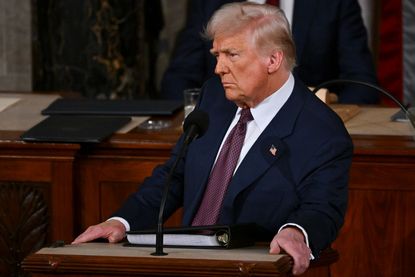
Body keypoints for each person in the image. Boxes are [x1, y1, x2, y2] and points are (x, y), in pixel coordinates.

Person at [73, 3, 353, 275]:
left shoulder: (321, 131)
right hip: (184, 264)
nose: (218, 68)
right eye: (217, 55)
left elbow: (322, 208)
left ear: (273, 59)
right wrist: (121, 221)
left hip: (249, 269)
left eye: (232, 55)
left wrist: (296, 232)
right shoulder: (214, 97)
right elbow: (174, 176)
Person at [160, 0, 379, 104]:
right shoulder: (210, 4)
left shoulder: (335, 4)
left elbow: (362, 84)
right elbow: (178, 79)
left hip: (309, 135)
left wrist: (324, 117)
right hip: (229, 130)